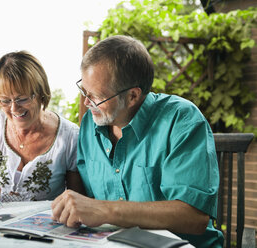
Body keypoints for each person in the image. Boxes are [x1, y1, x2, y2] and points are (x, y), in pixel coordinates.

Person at [51, 35, 224, 248]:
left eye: (96, 96)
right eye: (83, 91)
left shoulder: (182, 120)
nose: (86, 102)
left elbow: (194, 217)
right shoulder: (89, 124)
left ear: (133, 96)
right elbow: (85, 200)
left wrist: (106, 210)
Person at [0, 51, 84, 208]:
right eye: (5, 100)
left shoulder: (70, 136)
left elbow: (78, 201)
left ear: (40, 93)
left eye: (22, 99)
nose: (14, 108)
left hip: (42, 228)